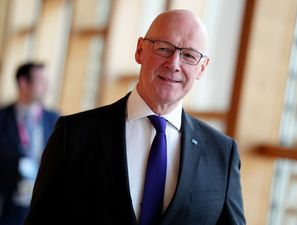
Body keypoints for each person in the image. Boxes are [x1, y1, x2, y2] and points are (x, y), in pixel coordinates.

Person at [25, 10, 246, 225]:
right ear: (140, 50)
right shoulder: (73, 135)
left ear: (202, 68)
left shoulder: (222, 154)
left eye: (189, 55)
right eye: (164, 48)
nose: (174, 64)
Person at [0, 62, 59, 225]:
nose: (47, 87)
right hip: (7, 207)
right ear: (23, 83)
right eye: (41, 81)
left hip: (42, 206)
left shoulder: (54, 120)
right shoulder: (2, 118)